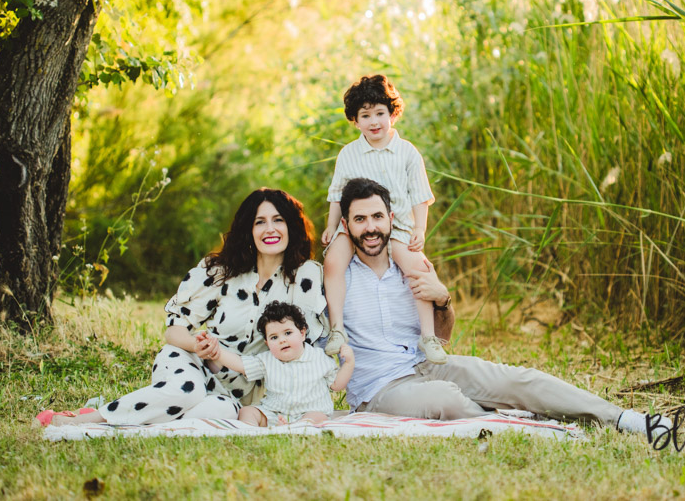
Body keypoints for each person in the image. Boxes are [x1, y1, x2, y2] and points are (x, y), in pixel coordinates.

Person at [337, 177, 667, 435]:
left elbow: (442, 337)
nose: (371, 228)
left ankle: (622, 418)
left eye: (378, 217)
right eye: (360, 219)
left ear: (391, 218)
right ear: (346, 225)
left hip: (427, 365)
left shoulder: (412, 265)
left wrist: (442, 299)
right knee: (445, 398)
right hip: (380, 388)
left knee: (518, 380)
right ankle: (529, 426)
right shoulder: (336, 280)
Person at [43, 188, 329, 427]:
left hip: (237, 393)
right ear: (248, 229)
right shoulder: (221, 270)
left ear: (291, 225)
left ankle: (126, 414)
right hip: (191, 363)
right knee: (185, 392)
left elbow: (307, 346)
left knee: (221, 414)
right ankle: (87, 421)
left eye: (278, 220)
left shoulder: (304, 276)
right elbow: (175, 330)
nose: (270, 229)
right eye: (259, 222)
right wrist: (199, 346)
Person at [321, 74, 445, 364]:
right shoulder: (349, 154)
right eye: (365, 115)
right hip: (356, 227)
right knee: (332, 261)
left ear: (393, 114)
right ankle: (337, 328)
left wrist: (419, 229)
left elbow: (420, 195)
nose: (374, 121)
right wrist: (331, 225)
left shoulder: (407, 152)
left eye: (380, 113)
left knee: (419, 267)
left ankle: (428, 336)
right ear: (355, 120)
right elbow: (337, 194)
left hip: (398, 227)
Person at [198, 300, 354, 427]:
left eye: (287, 333)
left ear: (302, 333)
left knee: (318, 418)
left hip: (310, 412)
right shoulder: (267, 360)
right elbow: (240, 364)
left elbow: (336, 385)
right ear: (267, 342)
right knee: (247, 411)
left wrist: (348, 364)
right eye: (274, 337)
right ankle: (249, 431)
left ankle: (296, 428)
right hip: (274, 413)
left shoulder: (318, 358)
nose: (282, 340)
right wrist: (216, 350)